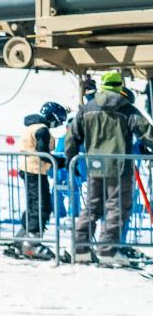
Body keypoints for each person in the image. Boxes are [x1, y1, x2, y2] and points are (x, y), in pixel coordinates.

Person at [64, 72, 153, 265]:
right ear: (119, 86)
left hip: (94, 165)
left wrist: (70, 158)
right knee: (117, 208)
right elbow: (147, 133)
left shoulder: (87, 108)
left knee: (92, 206)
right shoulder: (126, 108)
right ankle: (107, 250)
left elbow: (72, 136)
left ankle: (80, 249)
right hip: (119, 166)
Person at [10, 102, 67, 260]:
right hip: (35, 170)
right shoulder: (41, 129)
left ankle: (20, 240)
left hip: (29, 168)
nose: (58, 125)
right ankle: (32, 243)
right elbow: (43, 153)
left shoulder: (32, 126)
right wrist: (62, 162)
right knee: (41, 206)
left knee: (33, 205)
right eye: (59, 121)